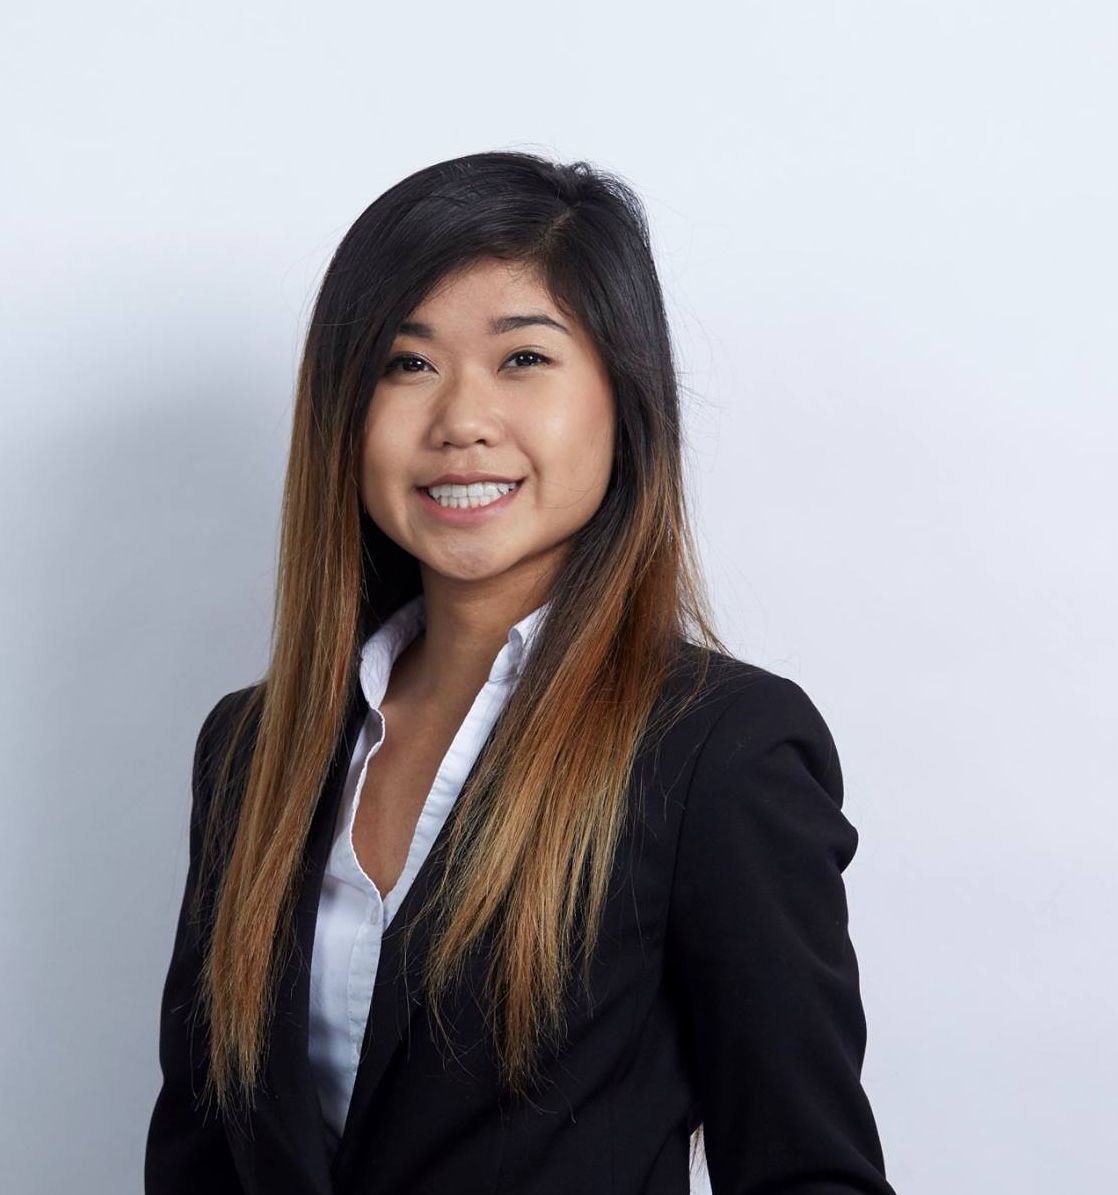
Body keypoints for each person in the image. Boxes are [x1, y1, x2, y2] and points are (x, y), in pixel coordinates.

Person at [143, 150, 896, 1195]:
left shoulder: (719, 752)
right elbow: (199, 1157)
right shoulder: (253, 749)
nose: (461, 419)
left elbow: (808, 1174)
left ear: (623, 398)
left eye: (523, 358)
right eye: (406, 364)